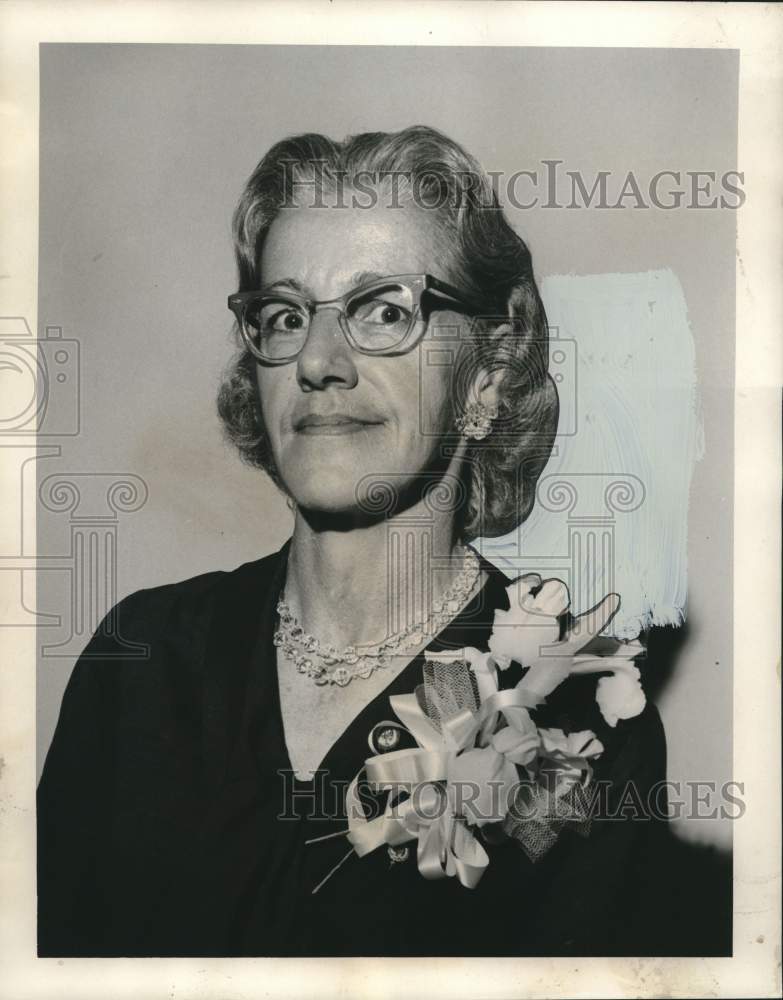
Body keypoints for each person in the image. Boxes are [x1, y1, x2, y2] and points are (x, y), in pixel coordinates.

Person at [38, 125, 695, 958]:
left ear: (487, 375)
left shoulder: (578, 712)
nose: (318, 360)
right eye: (283, 315)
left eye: (383, 311)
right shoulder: (142, 656)